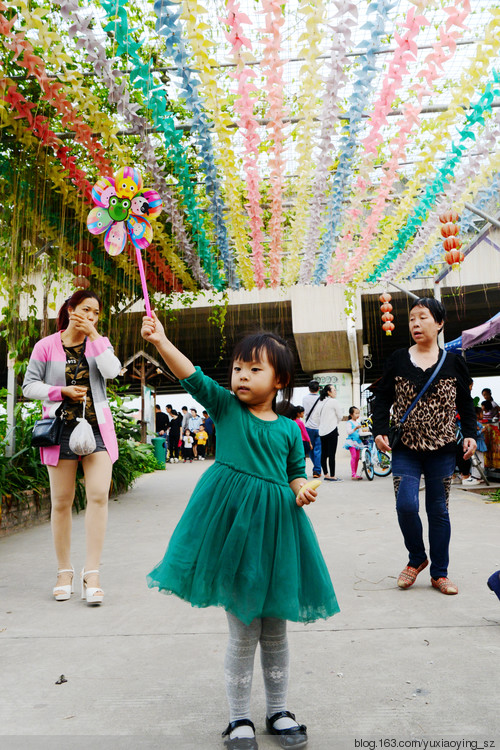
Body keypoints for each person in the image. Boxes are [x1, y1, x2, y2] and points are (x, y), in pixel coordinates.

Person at [141, 314, 339, 750]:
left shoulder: (291, 429)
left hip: (279, 536)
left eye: (255, 369)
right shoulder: (226, 408)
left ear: (280, 379)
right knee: (243, 630)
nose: (242, 376)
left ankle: (279, 710)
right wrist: (162, 341)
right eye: (238, 368)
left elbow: (294, 473)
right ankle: (238, 719)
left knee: (276, 631)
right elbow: (190, 375)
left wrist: (303, 487)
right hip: (233, 535)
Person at [372, 297, 476, 596]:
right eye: (412, 319)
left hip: (442, 449)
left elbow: (465, 404)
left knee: (438, 511)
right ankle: (417, 558)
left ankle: (439, 573)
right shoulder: (398, 359)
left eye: (423, 318)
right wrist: (380, 429)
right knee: (405, 504)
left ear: (439, 323)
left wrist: (469, 433)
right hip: (405, 447)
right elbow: (382, 398)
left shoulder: (454, 362)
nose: (416, 324)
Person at [23, 290, 121, 605]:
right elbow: (29, 385)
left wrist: (94, 335)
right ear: (71, 309)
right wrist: (59, 390)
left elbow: (112, 371)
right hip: (59, 430)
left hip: (97, 430)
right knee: (62, 503)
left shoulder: (99, 343)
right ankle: (64, 571)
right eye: (85, 311)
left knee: (98, 497)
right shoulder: (46, 346)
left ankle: (91, 573)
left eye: (95, 314)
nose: (90, 317)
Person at [318, 384, 344, 481]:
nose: (335, 391)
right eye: (334, 389)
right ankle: (333, 476)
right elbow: (340, 416)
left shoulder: (320, 402)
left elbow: (316, 418)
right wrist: (335, 422)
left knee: (324, 454)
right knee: (332, 454)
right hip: (332, 430)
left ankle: (326, 474)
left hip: (322, 431)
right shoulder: (333, 401)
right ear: (328, 392)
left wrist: (323, 424)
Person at [303, 380, 323, 478]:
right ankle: (317, 470)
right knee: (318, 450)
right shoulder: (322, 399)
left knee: (310, 449)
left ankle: (316, 468)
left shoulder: (305, 398)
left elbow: (305, 412)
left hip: (308, 427)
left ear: (309, 389)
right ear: (318, 389)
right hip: (319, 427)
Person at [343, 407, 364, 480]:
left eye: (358, 413)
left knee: (358, 458)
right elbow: (348, 432)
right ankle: (353, 474)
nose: (358, 415)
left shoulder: (358, 423)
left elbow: (360, 432)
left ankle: (355, 473)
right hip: (351, 442)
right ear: (351, 414)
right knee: (354, 456)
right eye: (356, 413)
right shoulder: (349, 422)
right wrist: (355, 428)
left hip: (358, 442)